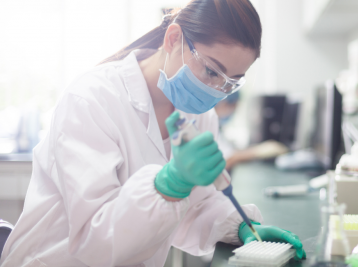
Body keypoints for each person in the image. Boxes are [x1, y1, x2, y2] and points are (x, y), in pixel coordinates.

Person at [0, 1, 306, 266]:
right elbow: (95, 239)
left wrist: (240, 227)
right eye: (212, 71)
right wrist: (168, 184)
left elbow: (195, 208)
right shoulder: (92, 100)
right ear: (174, 39)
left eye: (230, 83)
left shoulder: (200, 115)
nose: (215, 92)